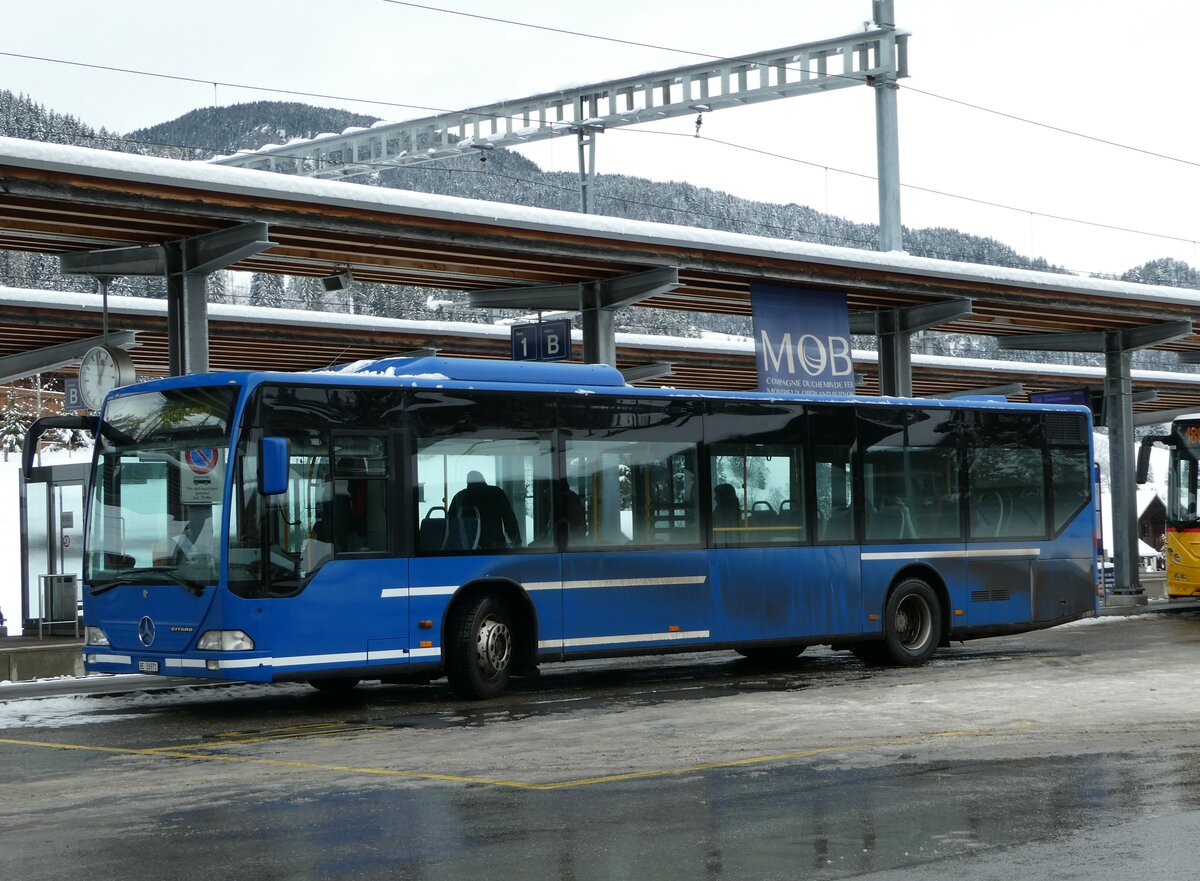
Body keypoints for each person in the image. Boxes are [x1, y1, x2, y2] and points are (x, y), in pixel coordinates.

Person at [449, 470, 522, 550]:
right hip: (495, 544)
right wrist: (516, 542)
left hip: (467, 545)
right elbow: (509, 520)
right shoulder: (496, 493)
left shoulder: (460, 496)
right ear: (483, 479)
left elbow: (451, 523)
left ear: (467, 481)